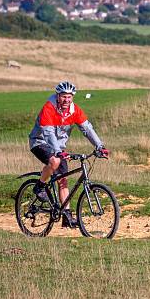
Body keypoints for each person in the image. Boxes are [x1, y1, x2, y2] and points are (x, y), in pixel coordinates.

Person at [29, 81, 108, 228]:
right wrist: (58, 151)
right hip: (40, 142)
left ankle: (67, 218)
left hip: (59, 148)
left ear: (72, 97)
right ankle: (39, 186)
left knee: (63, 181)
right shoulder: (49, 108)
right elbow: (48, 133)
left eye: (69, 97)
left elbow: (87, 129)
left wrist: (100, 146)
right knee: (55, 162)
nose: (66, 100)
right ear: (58, 96)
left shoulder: (74, 110)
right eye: (64, 96)